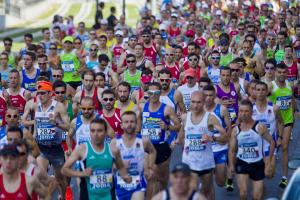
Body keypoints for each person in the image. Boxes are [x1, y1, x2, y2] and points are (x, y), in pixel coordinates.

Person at [61, 118, 132, 200]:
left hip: (109, 196)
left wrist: (126, 177)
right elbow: (64, 170)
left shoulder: (113, 150)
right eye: (92, 131)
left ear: (106, 132)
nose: (96, 134)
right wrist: (82, 174)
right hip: (88, 196)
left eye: (99, 131)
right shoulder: (82, 149)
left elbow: (121, 168)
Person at [178, 91, 226, 199]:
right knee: (191, 190)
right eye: (193, 102)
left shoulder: (210, 118)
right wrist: (185, 147)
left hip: (205, 162)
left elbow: (225, 136)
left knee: (207, 190)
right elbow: (181, 136)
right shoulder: (185, 117)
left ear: (204, 102)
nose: (195, 105)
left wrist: (213, 138)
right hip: (189, 161)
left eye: (199, 102)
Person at [139, 82, 181, 198]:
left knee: (162, 179)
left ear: (160, 93)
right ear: (147, 93)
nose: (153, 95)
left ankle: (164, 196)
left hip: (161, 146)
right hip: (147, 147)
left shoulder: (167, 109)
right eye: (151, 93)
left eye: (156, 92)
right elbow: (137, 126)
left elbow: (178, 126)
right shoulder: (142, 107)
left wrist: (167, 127)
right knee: (150, 177)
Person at [29, 81, 70, 197]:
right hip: (41, 148)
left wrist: (56, 123)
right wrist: (33, 138)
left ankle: (63, 196)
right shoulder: (36, 106)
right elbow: (36, 123)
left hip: (56, 148)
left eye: (42, 93)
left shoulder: (59, 107)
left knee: (61, 179)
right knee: (41, 177)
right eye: (38, 93)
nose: (40, 96)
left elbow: (68, 128)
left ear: (50, 93)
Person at [228, 99, 275, 200]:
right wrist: (231, 165)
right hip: (242, 163)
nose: (243, 114)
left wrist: (269, 162)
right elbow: (232, 150)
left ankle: (261, 189)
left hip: (257, 163)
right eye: (241, 111)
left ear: (251, 112)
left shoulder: (260, 127)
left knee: (256, 197)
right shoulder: (235, 130)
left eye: (246, 111)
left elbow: (271, 142)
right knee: (243, 193)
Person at [112, 111, 156, 200]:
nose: (129, 125)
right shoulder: (115, 142)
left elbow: (152, 151)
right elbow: (108, 164)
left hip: (138, 183)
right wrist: (120, 165)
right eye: (126, 122)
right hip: (120, 184)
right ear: (121, 125)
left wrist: (150, 167)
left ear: (136, 124)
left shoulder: (144, 141)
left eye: (132, 122)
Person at [268, 63, 297, 188]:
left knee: (285, 147)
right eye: (279, 72)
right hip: (275, 122)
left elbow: (292, 100)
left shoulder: (290, 86)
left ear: (287, 73)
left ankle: (285, 177)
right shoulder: (271, 86)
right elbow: (262, 98)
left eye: (284, 72)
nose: (281, 74)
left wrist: (294, 114)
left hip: (287, 120)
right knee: (273, 147)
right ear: (275, 72)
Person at [203, 85, 231, 187]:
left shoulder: (222, 109)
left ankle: (220, 170)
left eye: (211, 95)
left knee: (220, 183)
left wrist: (224, 139)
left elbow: (229, 129)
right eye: (205, 95)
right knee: (207, 183)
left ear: (215, 95)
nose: (208, 98)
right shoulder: (198, 110)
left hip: (220, 148)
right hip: (205, 150)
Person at [253, 81, 279, 178]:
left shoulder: (274, 108)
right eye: (258, 90)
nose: (260, 92)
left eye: (263, 90)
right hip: (255, 145)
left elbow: (280, 122)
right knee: (257, 175)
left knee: (269, 174)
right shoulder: (250, 109)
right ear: (254, 91)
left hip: (270, 143)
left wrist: (279, 137)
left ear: (267, 91)